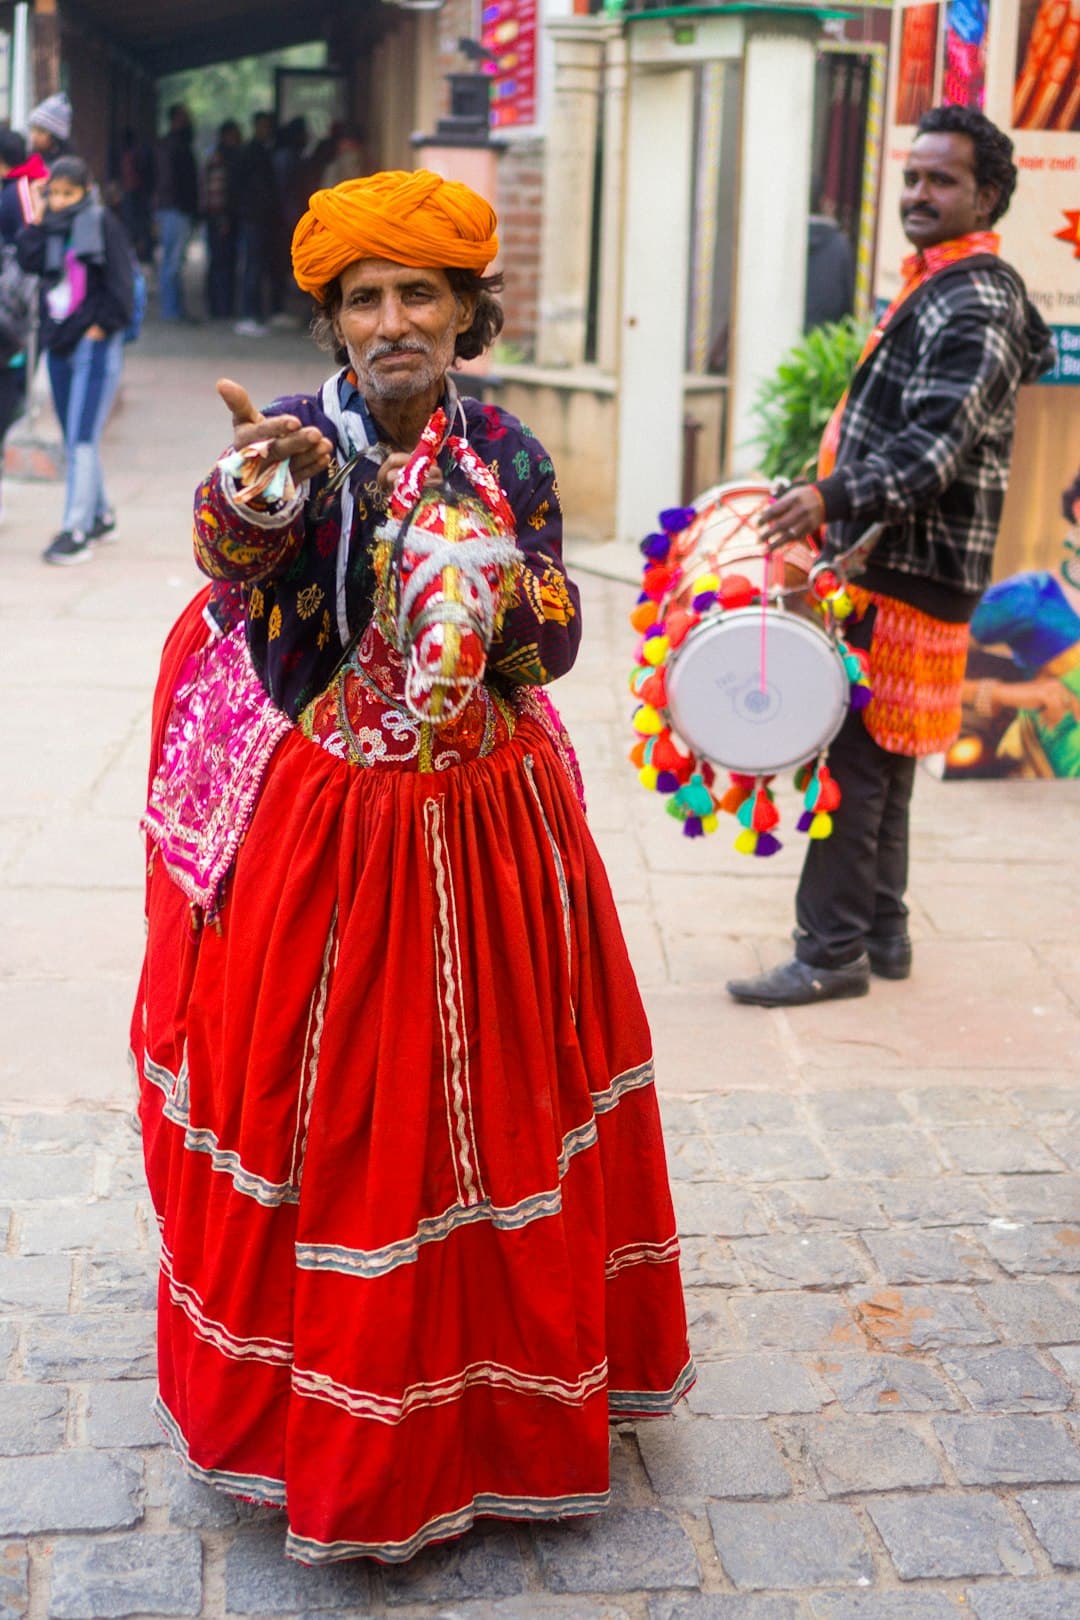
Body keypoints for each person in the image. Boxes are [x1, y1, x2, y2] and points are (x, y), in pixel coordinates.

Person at [130, 169, 692, 1564]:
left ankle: (499, 1408)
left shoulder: (509, 447)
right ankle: (345, 1427)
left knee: (501, 1102)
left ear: (464, 315)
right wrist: (258, 495)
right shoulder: (297, 450)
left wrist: (499, 580)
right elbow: (243, 573)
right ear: (331, 321)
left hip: (494, 832)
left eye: (419, 297)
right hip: (340, 846)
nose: (392, 321)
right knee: (341, 1124)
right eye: (364, 300)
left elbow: (554, 643)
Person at [727, 104, 1054, 1006]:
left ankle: (829, 954)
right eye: (912, 176)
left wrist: (829, 497)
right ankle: (883, 933)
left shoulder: (976, 298)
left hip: (904, 567)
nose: (918, 193)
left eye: (941, 180)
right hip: (907, 561)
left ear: (986, 195)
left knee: (857, 766)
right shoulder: (940, 286)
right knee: (887, 760)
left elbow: (933, 449)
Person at [16, 155, 134, 565]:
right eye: (57, 193)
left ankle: (75, 529)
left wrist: (101, 326)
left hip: (93, 342)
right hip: (59, 340)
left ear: (86, 191)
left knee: (83, 438)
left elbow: (122, 283)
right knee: (73, 439)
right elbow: (26, 257)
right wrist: (39, 211)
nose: (62, 201)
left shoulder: (102, 224)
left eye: (70, 193)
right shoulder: (51, 226)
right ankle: (100, 516)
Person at [233, 111, 281, 336]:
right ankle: (247, 315)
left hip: (258, 217)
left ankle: (254, 315)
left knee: (257, 266)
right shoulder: (252, 152)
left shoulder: (260, 151)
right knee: (252, 267)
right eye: (263, 125)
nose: (266, 130)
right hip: (253, 217)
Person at [154, 104, 198, 323]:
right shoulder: (173, 146)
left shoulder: (172, 144)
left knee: (174, 261)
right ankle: (171, 310)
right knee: (172, 262)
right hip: (174, 209)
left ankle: (174, 308)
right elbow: (169, 179)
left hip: (174, 209)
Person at [804, 181, 855, 331]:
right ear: (823, 202)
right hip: (826, 344)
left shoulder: (785, 241)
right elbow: (848, 302)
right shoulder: (839, 244)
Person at [203, 119, 241, 320]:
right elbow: (216, 192)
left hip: (218, 217)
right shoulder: (221, 158)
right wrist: (222, 217)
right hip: (220, 218)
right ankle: (220, 307)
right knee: (222, 263)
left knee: (220, 262)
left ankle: (220, 306)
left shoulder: (218, 156)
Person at [27, 93, 72, 170]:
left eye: (41, 131)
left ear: (55, 137)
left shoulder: (66, 169)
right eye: (32, 129)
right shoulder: (26, 159)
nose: (34, 135)